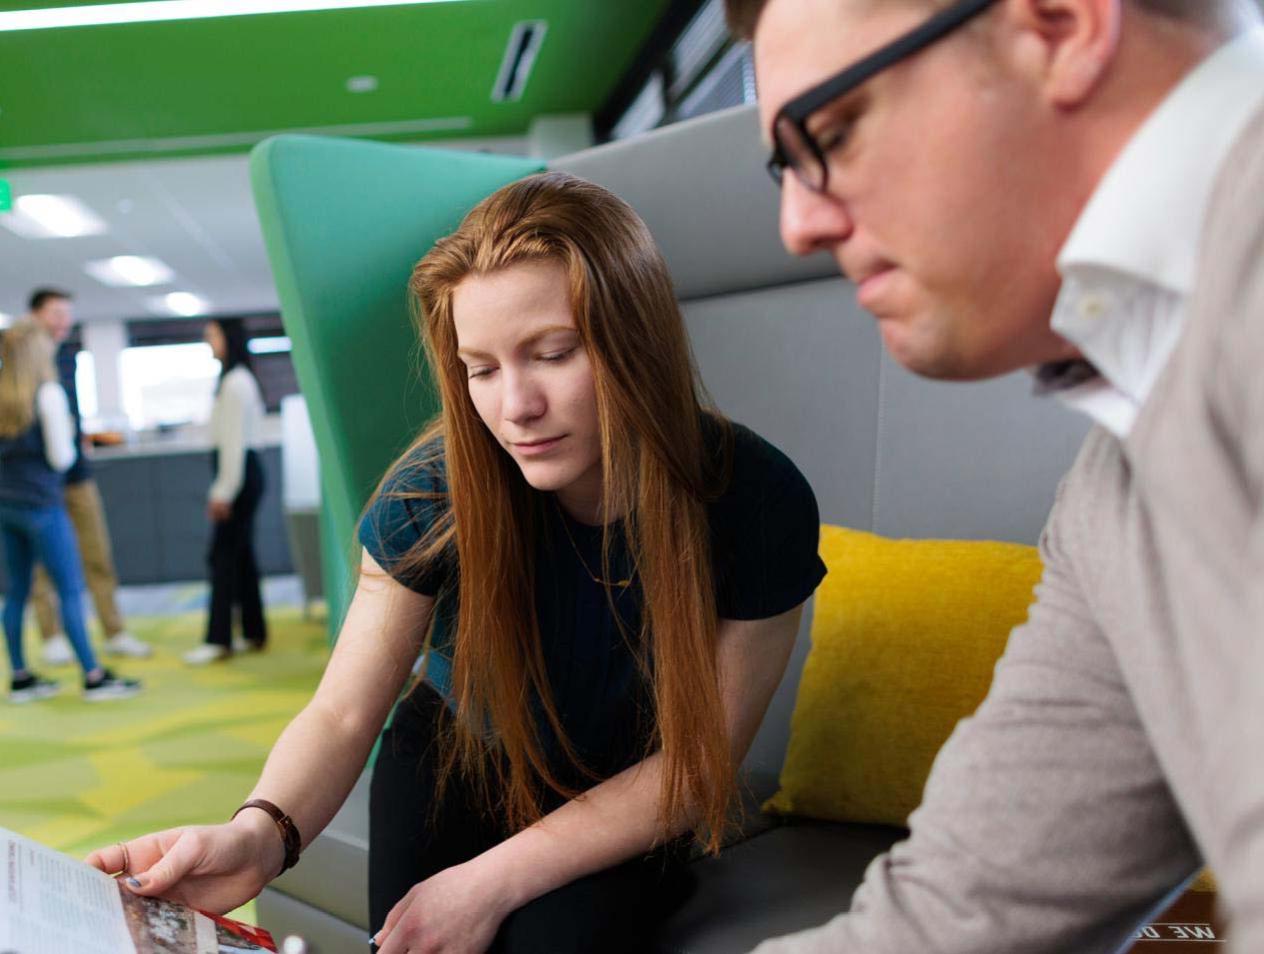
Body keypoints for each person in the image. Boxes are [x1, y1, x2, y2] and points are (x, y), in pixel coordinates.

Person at [87, 172, 826, 953]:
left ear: (636, 340)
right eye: (481, 368)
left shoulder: (757, 499)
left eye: (553, 352)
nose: (516, 407)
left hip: (629, 796)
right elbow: (342, 713)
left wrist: (489, 880)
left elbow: (695, 768)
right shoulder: (433, 490)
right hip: (452, 762)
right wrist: (260, 833)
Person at [725, 0, 1264, 951]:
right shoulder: (1118, 491)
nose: (797, 224)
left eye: (834, 131)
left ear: (1060, 24)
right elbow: (954, 921)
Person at [0, 321, 142, 702]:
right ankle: (94, 676)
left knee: (16, 593)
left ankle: (20, 676)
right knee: (70, 589)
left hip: (6, 507)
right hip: (44, 506)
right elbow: (61, 457)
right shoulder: (47, 394)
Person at [25, 288, 152, 663]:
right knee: (43, 564)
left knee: (97, 554)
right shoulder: (17, 362)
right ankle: (52, 637)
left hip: (77, 475)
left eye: (67, 313)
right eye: (55, 313)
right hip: (38, 483)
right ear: (35, 316)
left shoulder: (67, 358)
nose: (63, 321)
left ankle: (115, 631)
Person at [184, 318, 268, 665]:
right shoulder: (233, 380)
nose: (208, 342)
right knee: (241, 554)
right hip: (242, 472)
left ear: (230, 338)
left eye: (212, 335)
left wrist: (223, 492)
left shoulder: (235, 383)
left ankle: (219, 639)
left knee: (221, 556)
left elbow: (232, 444)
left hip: (238, 474)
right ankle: (252, 631)